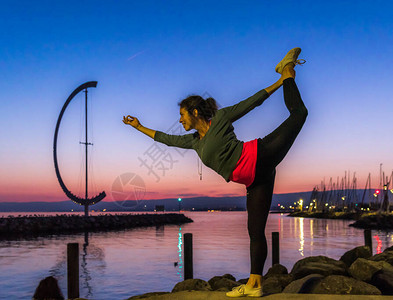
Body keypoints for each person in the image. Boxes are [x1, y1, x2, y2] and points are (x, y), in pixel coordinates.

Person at [123, 48, 308, 297]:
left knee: (300, 114)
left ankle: (287, 70)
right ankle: (254, 285)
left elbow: (252, 102)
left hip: (260, 155)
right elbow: (166, 139)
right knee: (255, 231)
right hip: (256, 180)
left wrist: (281, 81)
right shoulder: (194, 142)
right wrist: (139, 126)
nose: (180, 120)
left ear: (195, 112)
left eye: (182, 115)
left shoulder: (220, 118)